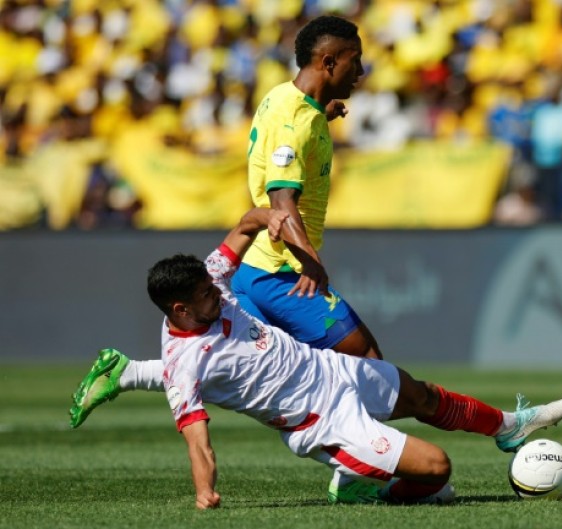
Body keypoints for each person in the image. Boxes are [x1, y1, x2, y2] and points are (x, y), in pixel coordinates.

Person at [98, 206, 562, 508]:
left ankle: (509, 427)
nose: (217, 295)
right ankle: (365, 485)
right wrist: (205, 491)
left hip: (332, 370)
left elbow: (245, 223)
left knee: (423, 395)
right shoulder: (184, 364)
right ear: (180, 309)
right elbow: (197, 441)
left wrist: (272, 220)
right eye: (205, 295)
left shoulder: (213, 279)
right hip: (322, 422)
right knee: (436, 471)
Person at [69, 16, 388, 428]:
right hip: (280, 271)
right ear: (328, 63)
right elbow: (282, 200)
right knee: (367, 364)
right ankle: (360, 470)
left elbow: (290, 138)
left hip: (255, 267)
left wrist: (322, 114)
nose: (360, 72)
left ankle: (126, 372)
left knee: (241, 366)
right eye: (354, 61)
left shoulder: (284, 100)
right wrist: (309, 260)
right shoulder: (294, 122)